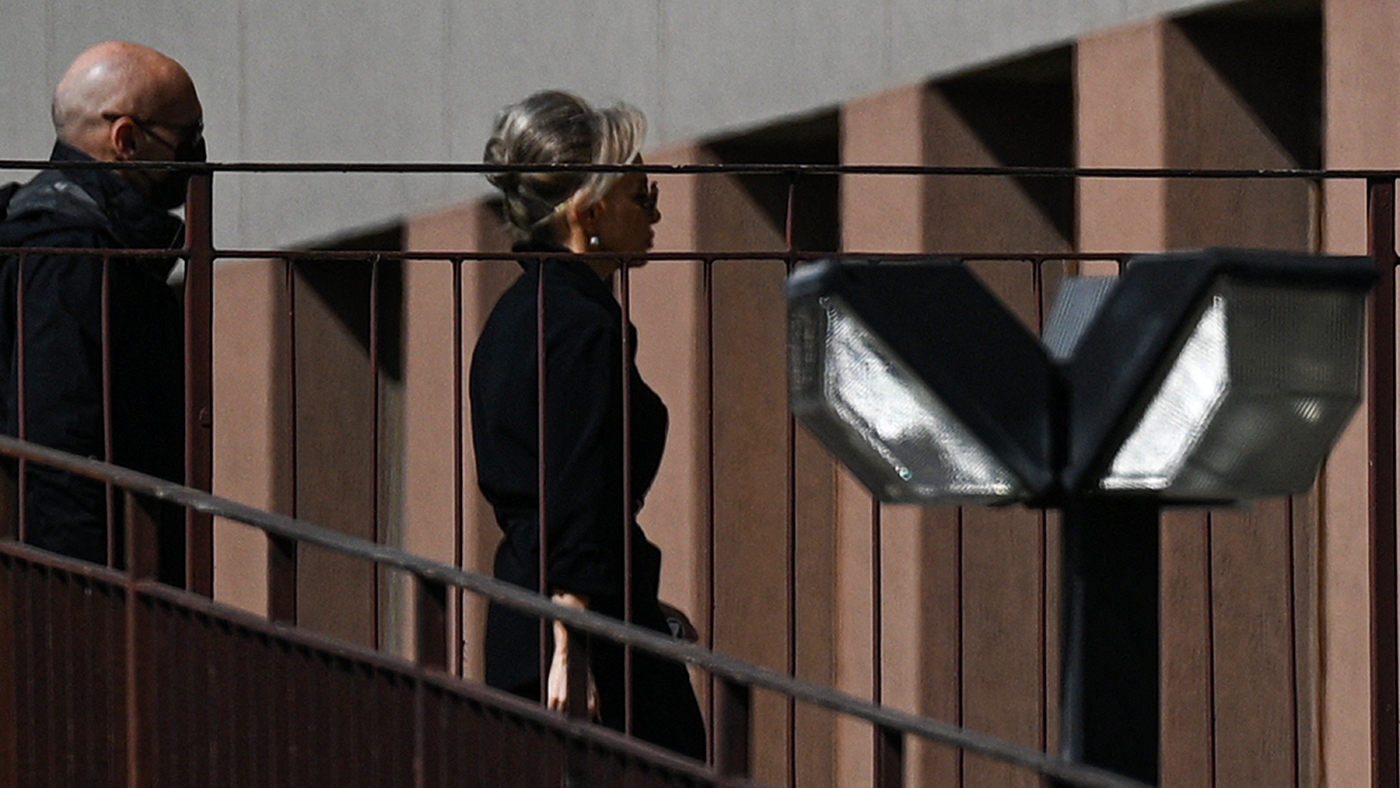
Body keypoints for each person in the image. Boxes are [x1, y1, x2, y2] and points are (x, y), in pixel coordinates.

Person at [471, 90, 706, 760]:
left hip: (531, 613)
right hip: (579, 641)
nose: (654, 212)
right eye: (641, 195)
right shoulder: (582, 328)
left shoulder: (515, 316)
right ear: (589, 212)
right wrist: (572, 647)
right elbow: (573, 497)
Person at [0, 42, 205, 584]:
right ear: (127, 140)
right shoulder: (69, 253)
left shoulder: (60, 236)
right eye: (187, 135)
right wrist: (85, 599)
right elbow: (55, 447)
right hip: (86, 594)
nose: (197, 154)